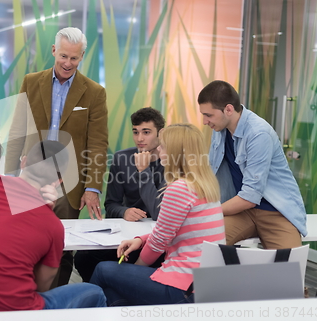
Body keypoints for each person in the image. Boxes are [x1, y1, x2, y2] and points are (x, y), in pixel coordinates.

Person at [0, 141, 106, 321]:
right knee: (94, 292)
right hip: (17, 315)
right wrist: (46, 213)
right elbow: (42, 287)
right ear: (59, 181)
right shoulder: (52, 226)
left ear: (23, 162)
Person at [5, 27, 108, 286]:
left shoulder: (94, 92)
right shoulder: (31, 82)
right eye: (63, 56)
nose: (68, 63)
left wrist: (93, 187)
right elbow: (18, 129)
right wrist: (9, 177)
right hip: (31, 176)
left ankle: (57, 303)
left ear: (82, 56)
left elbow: (98, 143)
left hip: (69, 181)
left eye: (74, 58)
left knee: (61, 247)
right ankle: (27, 299)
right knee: (24, 242)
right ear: (54, 51)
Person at [90, 123, 225, 306]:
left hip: (183, 288)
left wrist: (133, 269)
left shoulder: (179, 188)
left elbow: (160, 241)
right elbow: (169, 229)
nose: (158, 149)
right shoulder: (206, 185)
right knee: (111, 291)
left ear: (174, 152)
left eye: (162, 146)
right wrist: (141, 239)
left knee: (102, 270)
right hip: (203, 285)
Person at [197, 80, 306, 248]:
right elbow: (211, 173)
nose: (205, 121)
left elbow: (250, 197)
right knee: (200, 244)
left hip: (275, 211)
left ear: (228, 109)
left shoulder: (258, 133)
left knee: (289, 268)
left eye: (209, 115)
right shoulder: (219, 129)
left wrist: (209, 212)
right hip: (240, 210)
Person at [74, 107, 166, 282]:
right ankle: (102, 296)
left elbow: (159, 212)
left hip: (156, 236)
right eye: (135, 132)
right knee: (82, 257)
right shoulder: (122, 158)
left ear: (160, 133)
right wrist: (124, 211)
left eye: (146, 132)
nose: (140, 138)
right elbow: (111, 204)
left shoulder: (169, 160)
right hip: (127, 233)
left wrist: (144, 170)